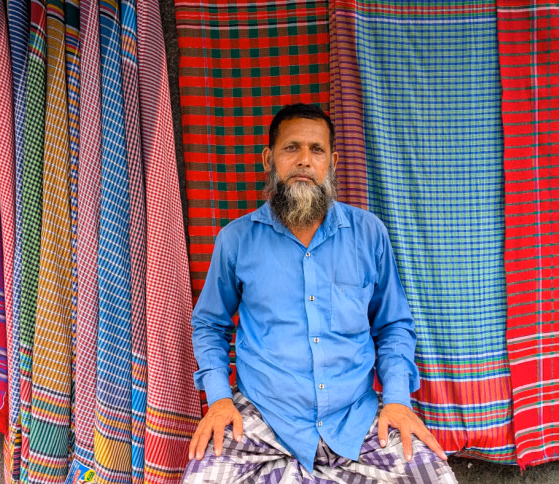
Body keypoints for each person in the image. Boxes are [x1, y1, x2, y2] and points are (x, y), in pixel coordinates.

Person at [182, 104, 457, 483]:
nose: (304, 161)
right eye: (291, 148)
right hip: (261, 419)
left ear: (332, 161)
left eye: (316, 150)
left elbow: (393, 325)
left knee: (435, 476)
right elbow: (209, 325)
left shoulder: (368, 233)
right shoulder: (236, 240)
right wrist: (218, 400)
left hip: (355, 418)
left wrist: (396, 399)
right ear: (269, 158)